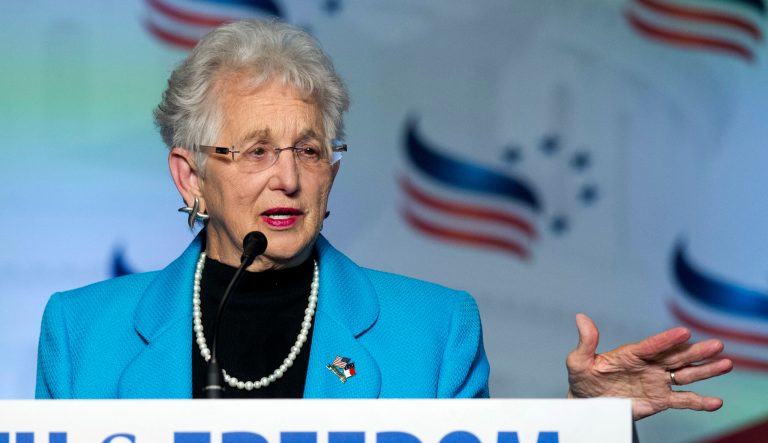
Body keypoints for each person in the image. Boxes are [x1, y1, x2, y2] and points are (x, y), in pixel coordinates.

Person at [35, 19, 731, 420]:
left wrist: (588, 425)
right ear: (191, 178)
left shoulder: (432, 330)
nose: (288, 176)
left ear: (332, 169)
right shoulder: (82, 330)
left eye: (309, 148)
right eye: (254, 151)